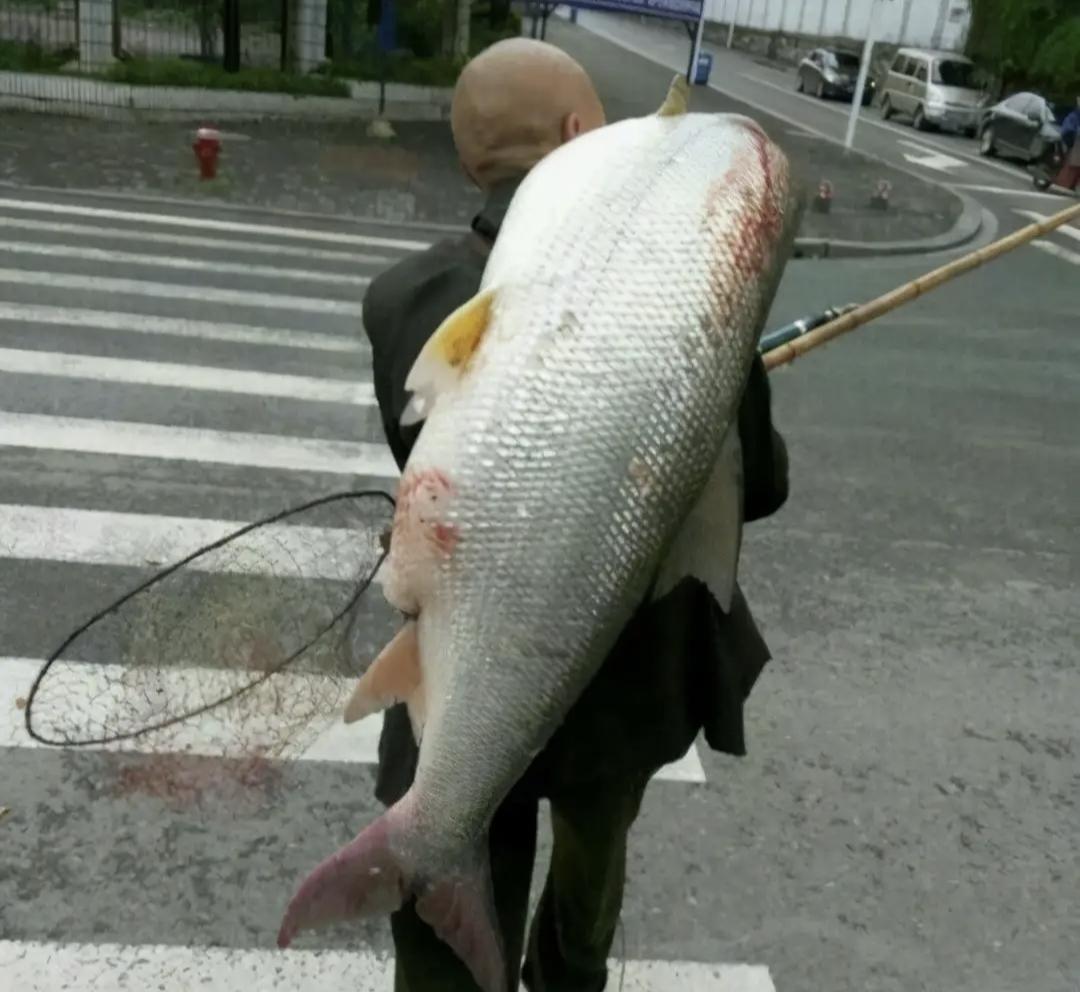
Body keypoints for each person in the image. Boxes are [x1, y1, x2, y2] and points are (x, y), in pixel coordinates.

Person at [361, 37, 790, 992]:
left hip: (462, 676)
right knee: (585, 895)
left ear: (472, 160)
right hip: (621, 695)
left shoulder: (401, 300)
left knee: (453, 934)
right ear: (581, 133)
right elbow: (759, 486)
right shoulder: (674, 287)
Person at [1055, 96, 1080, 192]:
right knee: (1071, 165)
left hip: (1074, 143)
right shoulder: (1074, 116)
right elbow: (1068, 130)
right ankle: (1064, 184)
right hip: (1072, 143)